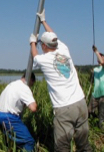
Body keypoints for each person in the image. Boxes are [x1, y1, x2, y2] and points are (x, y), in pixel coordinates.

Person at [29, 9, 92, 152]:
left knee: (62, 147)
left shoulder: (44, 59)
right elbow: (54, 37)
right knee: (84, 144)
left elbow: (35, 56)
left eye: (40, 44)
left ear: (44, 46)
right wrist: (44, 21)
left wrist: (32, 42)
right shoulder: (64, 49)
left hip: (64, 107)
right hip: (80, 103)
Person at [0, 72, 37, 152]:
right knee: (29, 141)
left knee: (12, 142)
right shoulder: (24, 88)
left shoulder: (13, 84)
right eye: (32, 85)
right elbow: (33, 108)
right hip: (9, 117)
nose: (31, 87)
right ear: (31, 81)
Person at [88, 45, 104, 129]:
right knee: (88, 111)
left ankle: (102, 131)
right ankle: (91, 126)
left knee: (102, 115)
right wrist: (91, 73)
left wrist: (96, 52)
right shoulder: (95, 70)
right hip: (95, 95)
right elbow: (90, 80)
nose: (99, 58)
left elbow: (102, 62)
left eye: (101, 57)